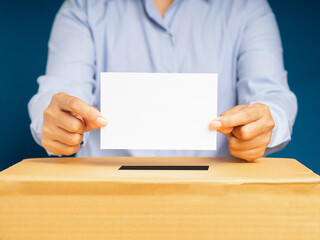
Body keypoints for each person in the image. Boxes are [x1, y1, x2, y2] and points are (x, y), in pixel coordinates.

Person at [28, 0, 297, 161]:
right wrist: (54, 121)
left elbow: (271, 95)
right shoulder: (83, 7)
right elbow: (59, 93)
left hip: (216, 199)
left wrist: (265, 122)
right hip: (106, 199)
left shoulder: (246, 7)